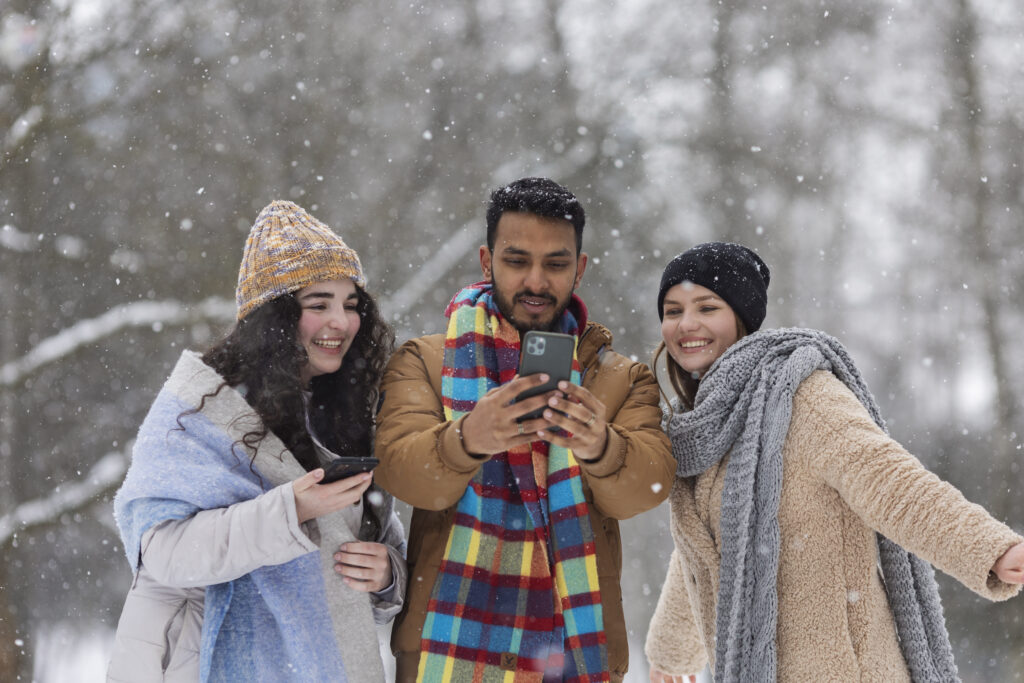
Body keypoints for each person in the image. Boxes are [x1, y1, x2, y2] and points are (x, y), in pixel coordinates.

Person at [643, 242, 1024, 682]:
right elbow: (706, 550)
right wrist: (670, 654)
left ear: (741, 317)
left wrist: (989, 548)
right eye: (673, 311)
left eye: (707, 307)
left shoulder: (803, 396)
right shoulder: (705, 428)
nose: (686, 324)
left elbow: (888, 480)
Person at [374, 177, 676, 682]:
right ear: (487, 261)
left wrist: (601, 446)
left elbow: (648, 487)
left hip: (570, 655)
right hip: (448, 653)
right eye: (517, 261)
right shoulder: (426, 362)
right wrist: (469, 437)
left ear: (578, 269)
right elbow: (401, 472)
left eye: (555, 264)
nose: (536, 281)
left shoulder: (622, 379)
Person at [107, 201, 407, 682]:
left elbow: (379, 538)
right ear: (276, 317)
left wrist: (387, 574)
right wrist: (291, 511)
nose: (341, 322)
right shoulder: (197, 410)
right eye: (318, 304)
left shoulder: (348, 415)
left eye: (351, 305)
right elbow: (164, 553)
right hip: (199, 662)